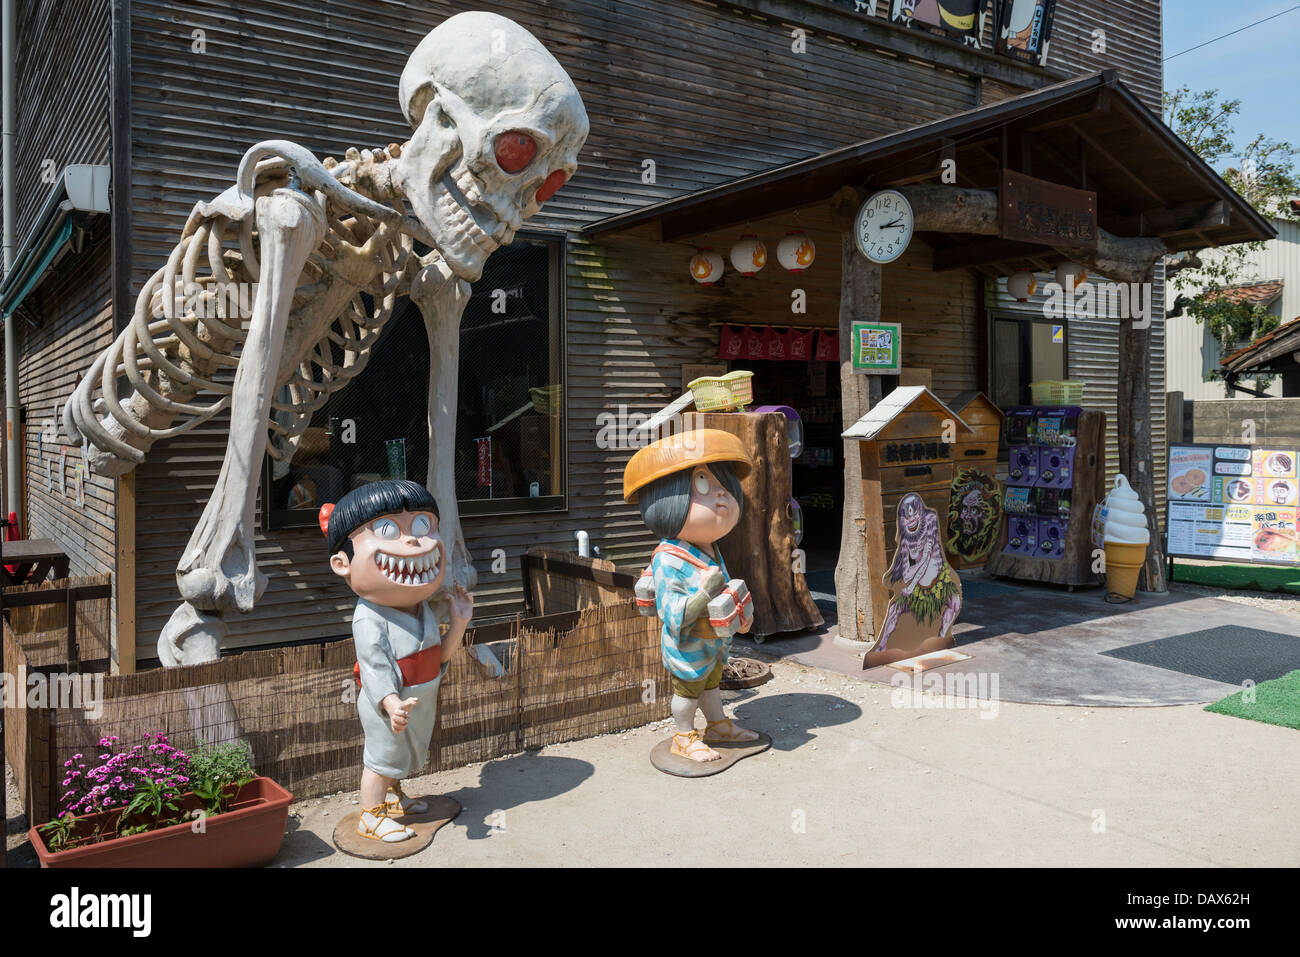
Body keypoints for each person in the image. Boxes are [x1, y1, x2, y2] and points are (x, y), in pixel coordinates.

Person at [322, 479, 472, 843]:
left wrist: (460, 622)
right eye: (388, 529)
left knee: (403, 754)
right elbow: (374, 667)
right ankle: (370, 817)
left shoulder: (420, 608)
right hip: (388, 703)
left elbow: (438, 658)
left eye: (422, 525)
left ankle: (392, 798)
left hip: (419, 696)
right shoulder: (368, 617)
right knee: (381, 758)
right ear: (343, 563)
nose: (412, 541)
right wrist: (390, 702)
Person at [624, 429, 760, 764]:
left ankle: (717, 725)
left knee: (711, 685)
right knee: (687, 691)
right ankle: (683, 736)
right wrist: (705, 593)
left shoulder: (709, 548)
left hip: (712, 643)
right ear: (664, 500)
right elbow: (672, 613)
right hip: (686, 646)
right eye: (703, 487)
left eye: (725, 487)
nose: (721, 498)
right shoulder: (668, 558)